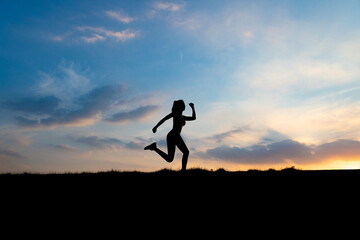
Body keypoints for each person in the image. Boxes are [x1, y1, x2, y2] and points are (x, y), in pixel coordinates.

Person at [144, 100, 196, 171]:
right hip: (173, 135)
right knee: (186, 152)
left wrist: (193, 108)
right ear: (181, 107)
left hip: (174, 136)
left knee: (170, 159)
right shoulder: (175, 114)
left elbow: (193, 118)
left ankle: (154, 148)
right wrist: (156, 127)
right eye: (183, 105)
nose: (184, 106)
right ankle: (183, 170)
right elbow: (164, 119)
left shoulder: (182, 116)